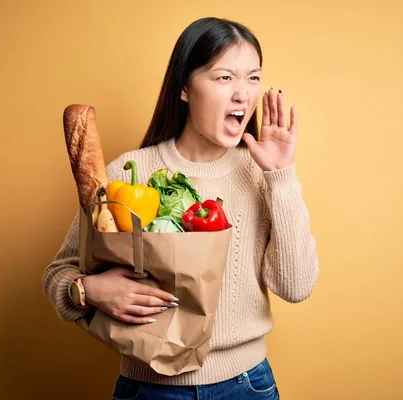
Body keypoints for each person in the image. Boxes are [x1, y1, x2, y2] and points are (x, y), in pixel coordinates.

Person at [42, 16, 319, 400]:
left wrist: (281, 175)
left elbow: (296, 286)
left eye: (252, 78)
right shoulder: (127, 172)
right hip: (149, 389)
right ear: (185, 87)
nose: (243, 94)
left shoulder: (262, 174)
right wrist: (88, 289)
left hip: (247, 387)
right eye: (225, 78)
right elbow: (58, 273)